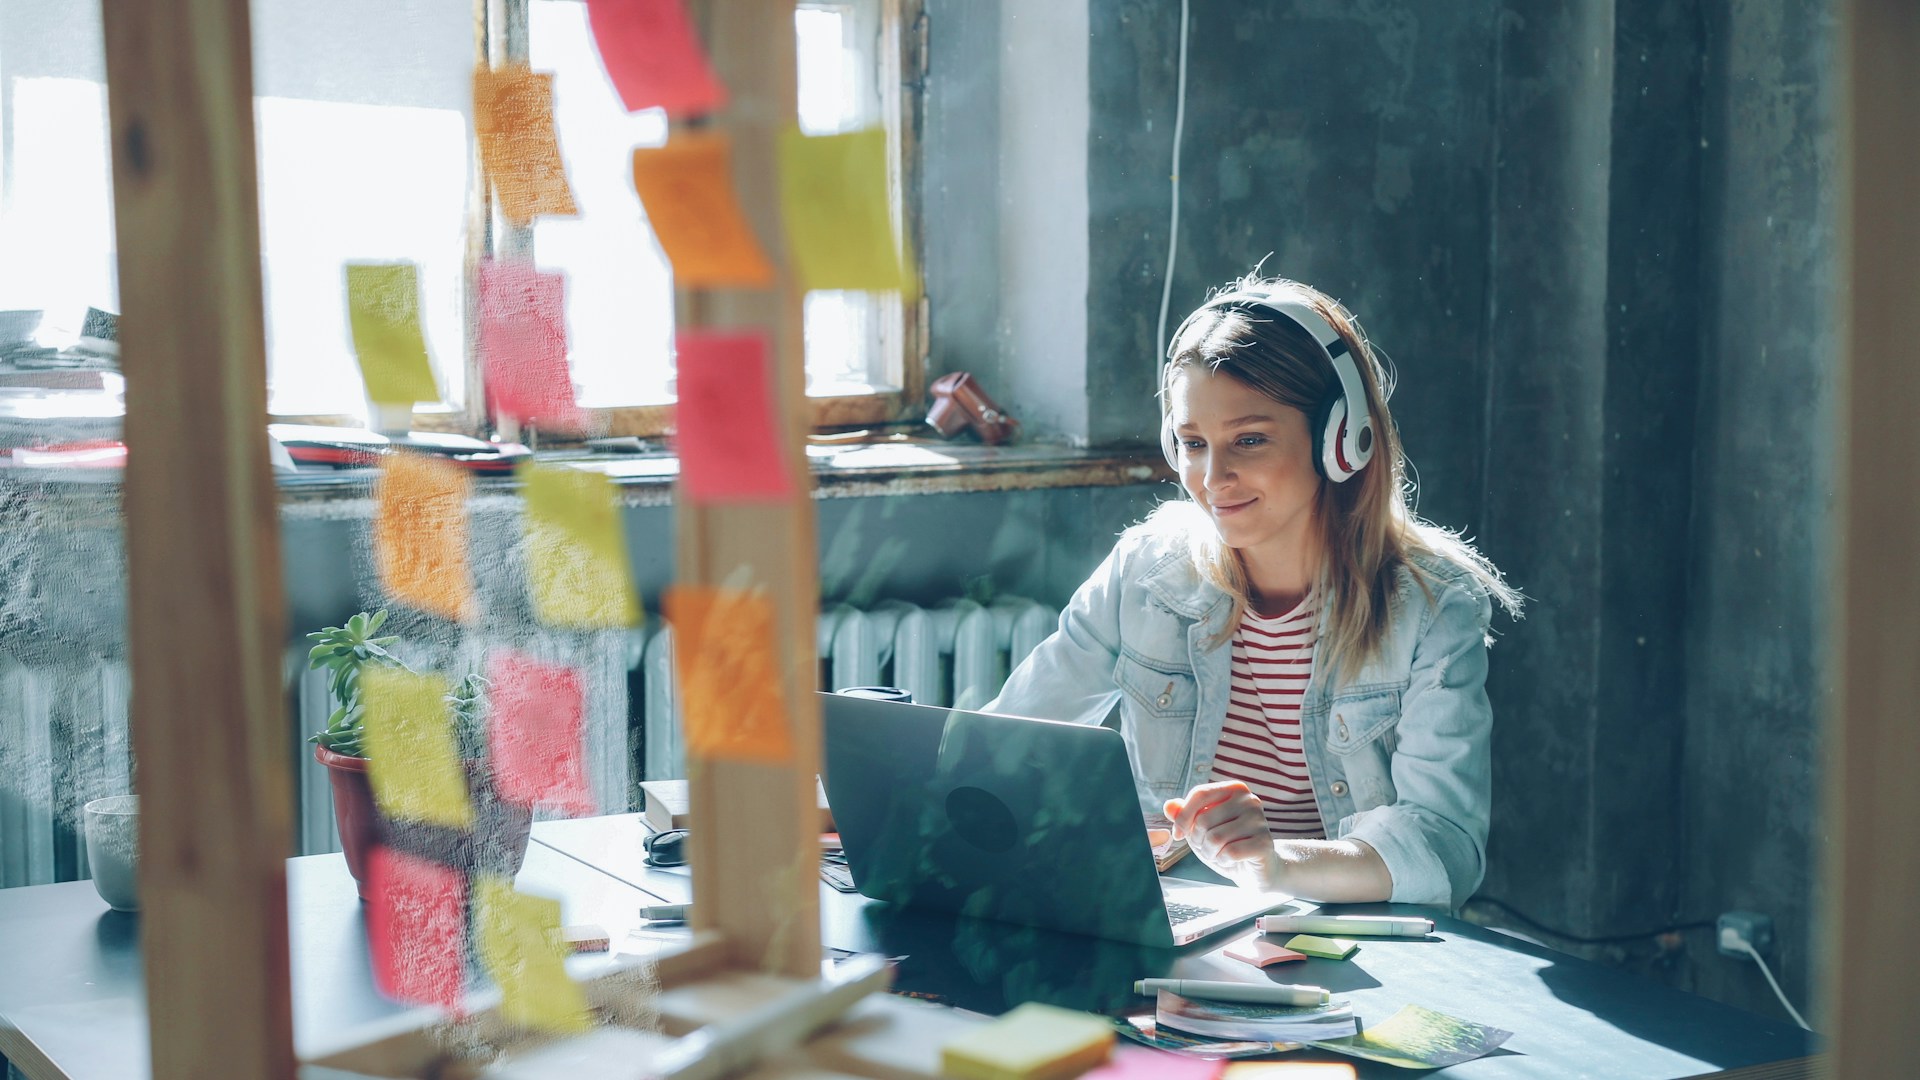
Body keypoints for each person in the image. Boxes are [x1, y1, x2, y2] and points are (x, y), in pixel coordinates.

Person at [984, 273, 1521, 910]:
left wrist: (1274, 862)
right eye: (1192, 444)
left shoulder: (1434, 608)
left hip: (1344, 948)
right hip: (1168, 923)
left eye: (1249, 440)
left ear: (1342, 440)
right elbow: (1009, 738)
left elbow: (1446, 845)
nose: (1214, 478)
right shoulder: (1145, 570)